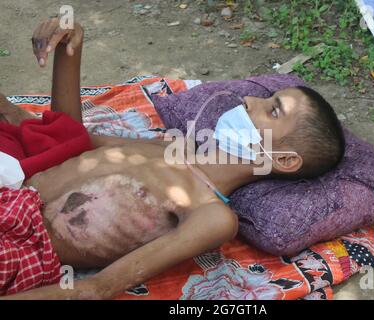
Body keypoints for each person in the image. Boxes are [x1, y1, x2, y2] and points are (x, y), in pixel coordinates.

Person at [0, 18, 345, 299]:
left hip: (21, 245)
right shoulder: (166, 149)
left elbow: (93, 289)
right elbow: (67, 137)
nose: (250, 101)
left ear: (284, 160)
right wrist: (70, 49)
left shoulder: (212, 215)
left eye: (272, 110)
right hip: (10, 188)